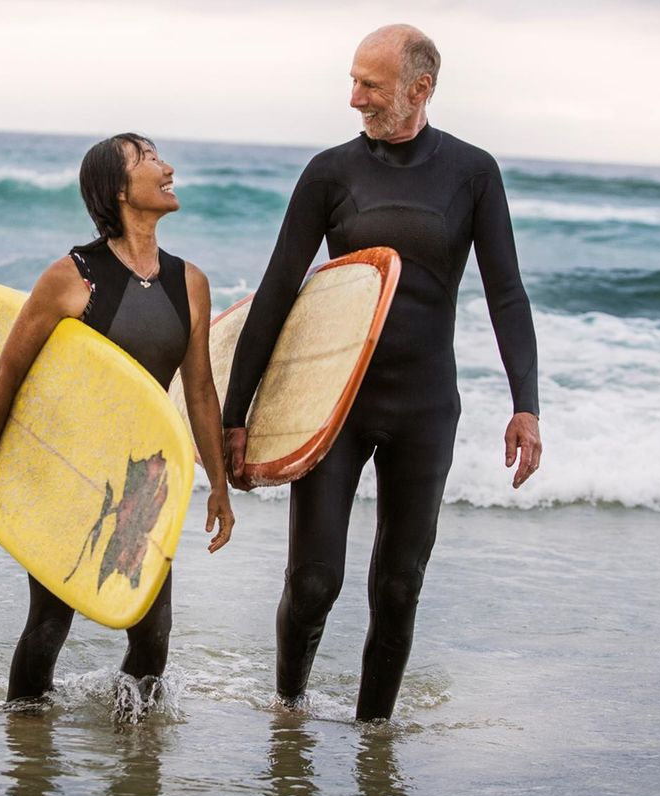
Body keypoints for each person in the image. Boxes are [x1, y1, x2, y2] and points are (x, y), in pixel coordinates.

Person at [222, 25, 543, 721]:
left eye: (370, 85)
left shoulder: (472, 173)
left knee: (399, 587)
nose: (354, 98)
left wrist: (527, 405)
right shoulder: (330, 173)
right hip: (332, 406)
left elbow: (506, 293)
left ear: (418, 89)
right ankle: (289, 708)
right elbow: (279, 290)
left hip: (425, 408)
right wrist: (234, 416)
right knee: (313, 582)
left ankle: (375, 736)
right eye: (354, 80)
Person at [0, 133, 235, 707]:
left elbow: (202, 390)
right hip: (72, 472)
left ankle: (132, 763)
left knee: (152, 635)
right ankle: (28, 741)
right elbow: (6, 379)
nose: (168, 168)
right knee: (48, 623)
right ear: (118, 190)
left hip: (147, 478)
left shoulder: (190, 283)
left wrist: (219, 484)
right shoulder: (71, 276)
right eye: (149, 160)